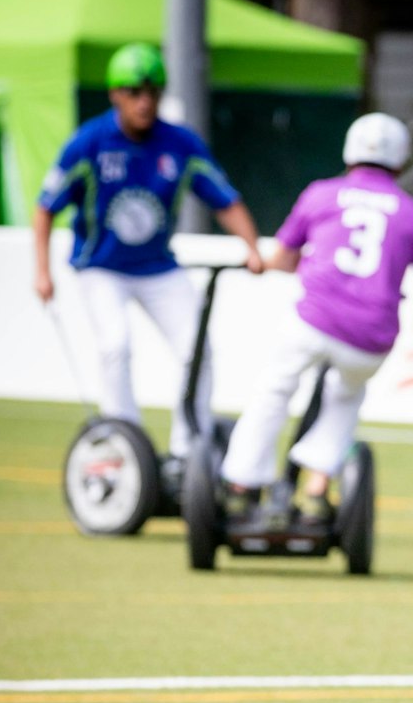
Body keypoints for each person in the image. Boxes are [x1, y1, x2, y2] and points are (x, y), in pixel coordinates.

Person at [33, 42, 264, 466]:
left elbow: (225, 199)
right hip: (101, 266)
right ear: (115, 95)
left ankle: (189, 450)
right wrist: (42, 272)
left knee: (198, 349)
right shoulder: (89, 142)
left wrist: (252, 248)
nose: (144, 102)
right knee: (116, 346)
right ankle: (125, 446)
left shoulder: (180, 144)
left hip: (158, 267)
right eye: (134, 92)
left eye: (152, 92)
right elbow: (46, 207)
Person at [219, 113, 413, 526]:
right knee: (346, 395)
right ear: (400, 160)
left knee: (275, 388)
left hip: (313, 322)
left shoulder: (321, 194)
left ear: (349, 152)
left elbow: (284, 259)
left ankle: (240, 486)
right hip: (370, 339)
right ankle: (315, 492)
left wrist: (260, 263)